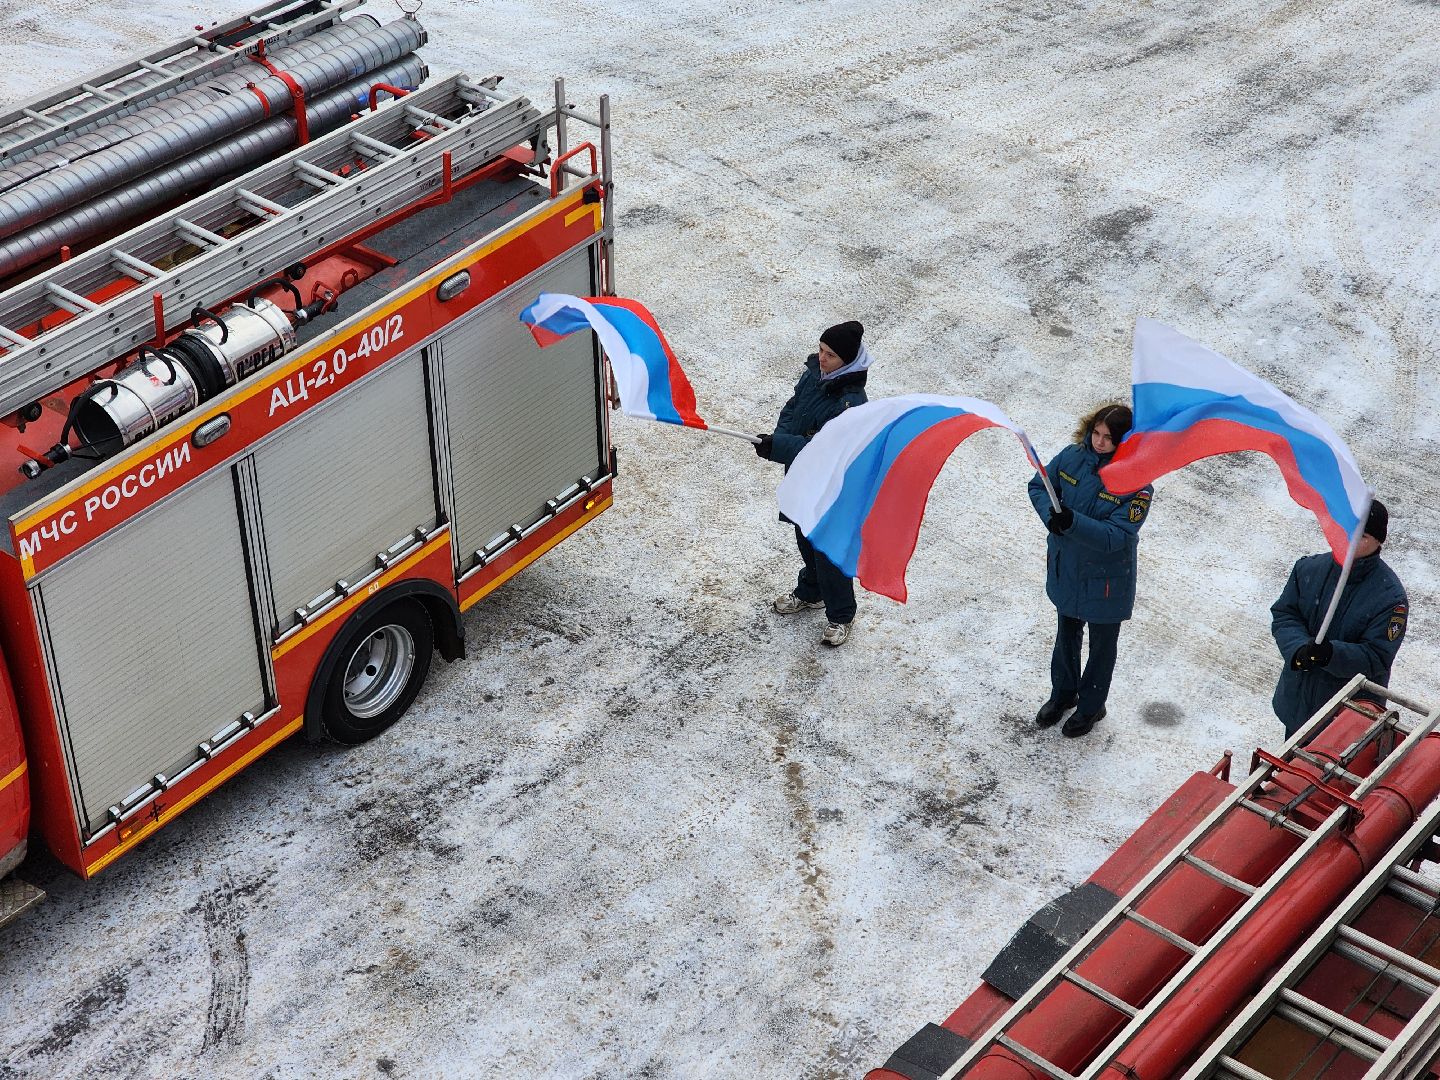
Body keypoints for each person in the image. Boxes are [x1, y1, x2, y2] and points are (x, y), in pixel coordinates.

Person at [1027, 403, 1152, 737]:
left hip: (1107, 580)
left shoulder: (1138, 484)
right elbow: (1039, 486)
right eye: (1095, 433)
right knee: (1066, 636)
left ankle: (1091, 706)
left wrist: (1072, 522)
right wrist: (1050, 517)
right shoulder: (1071, 457)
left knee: (1101, 647)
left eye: (1108, 438)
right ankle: (1063, 694)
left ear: (1123, 442)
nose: (1098, 442)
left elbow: (1118, 534)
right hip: (1067, 569)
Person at [755, 320, 871, 647]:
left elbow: (826, 451)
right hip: (804, 475)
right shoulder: (814, 374)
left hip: (833, 489)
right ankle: (811, 592)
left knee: (827, 550)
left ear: (846, 361)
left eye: (830, 355)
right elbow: (793, 408)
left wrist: (779, 447)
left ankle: (842, 614)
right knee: (804, 537)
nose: (821, 358)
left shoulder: (851, 404)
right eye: (821, 349)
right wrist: (781, 438)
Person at [1270, 500, 1407, 738]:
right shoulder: (1308, 569)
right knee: (1289, 771)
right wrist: (1299, 649)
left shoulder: (1390, 599)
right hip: (1298, 705)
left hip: (1346, 719)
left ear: (1379, 541)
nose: (1352, 540)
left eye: (1362, 535)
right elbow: (1285, 615)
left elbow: (1377, 657)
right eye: (1348, 530)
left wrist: (1331, 654)